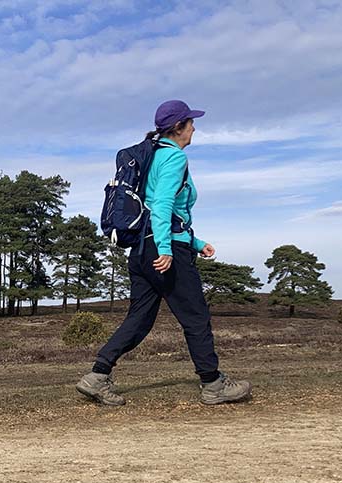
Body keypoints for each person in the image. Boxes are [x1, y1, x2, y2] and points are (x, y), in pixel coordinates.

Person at [76, 100, 251, 406]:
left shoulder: (150, 157)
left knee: (139, 319)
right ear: (178, 128)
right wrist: (169, 250)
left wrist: (196, 243)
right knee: (196, 317)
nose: (195, 127)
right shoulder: (173, 159)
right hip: (163, 250)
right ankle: (213, 385)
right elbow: (162, 206)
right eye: (191, 122)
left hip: (143, 249)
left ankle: (97, 377)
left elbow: (156, 209)